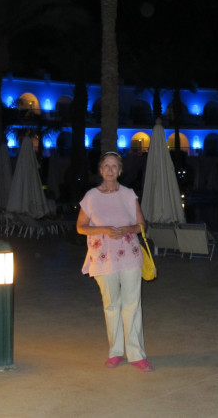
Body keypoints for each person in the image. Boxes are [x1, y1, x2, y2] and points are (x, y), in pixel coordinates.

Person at [76, 151, 153, 372]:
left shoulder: (129, 194)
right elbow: (81, 227)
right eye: (106, 166)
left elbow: (141, 225)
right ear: (101, 170)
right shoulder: (91, 196)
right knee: (111, 305)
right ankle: (116, 351)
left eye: (114, 166)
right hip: (103, 257)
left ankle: (136, 354)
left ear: (120, 170)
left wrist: (127, 229)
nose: (110, 170)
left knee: (132, 304)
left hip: (129, 254)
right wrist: (105, 230)